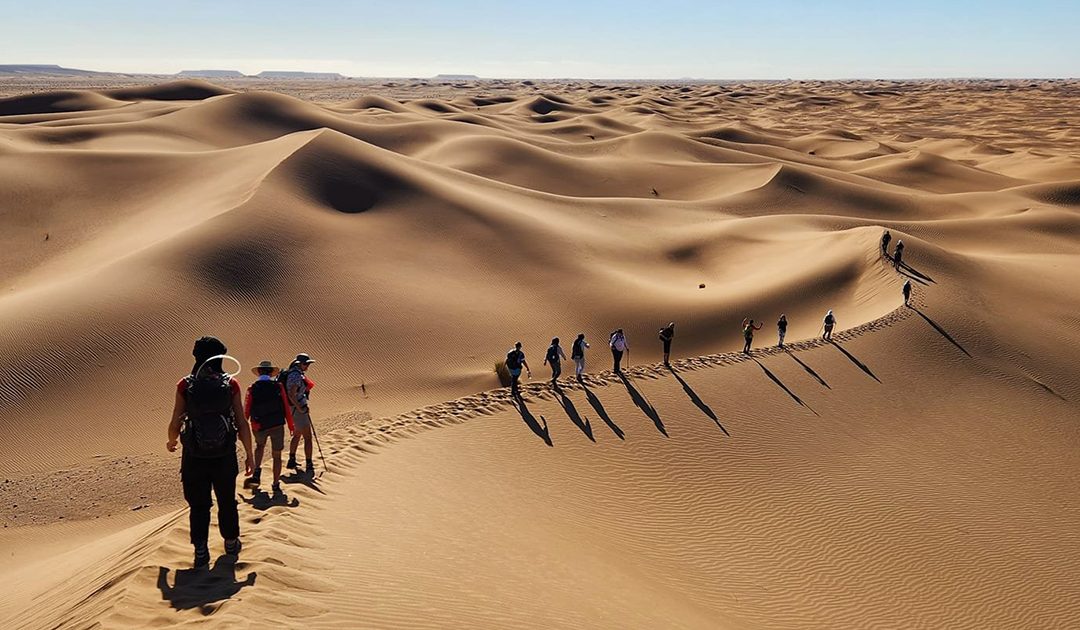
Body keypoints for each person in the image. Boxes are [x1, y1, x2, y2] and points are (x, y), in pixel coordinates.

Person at [167, 336, 254, 569]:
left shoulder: (185, 385)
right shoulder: (230, 383)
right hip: (224, 455)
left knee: (199, 505)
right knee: (227, 500)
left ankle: (200, 550)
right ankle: (231, 542)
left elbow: (175, 420)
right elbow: (241, 422)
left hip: (194, 456)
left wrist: (171, 440)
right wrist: (250, 454)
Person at [244, 360, 294, 494]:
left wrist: (242, 426)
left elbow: (246, 409)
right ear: (271, 373)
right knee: (277, 455)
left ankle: (257, 471)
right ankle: (275, 484)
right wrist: (291, 425)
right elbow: (285, 406)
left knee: (259, 446)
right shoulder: (278, 386)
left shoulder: (252, 388)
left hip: (259, 426)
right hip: (277, 424)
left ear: (259, 372)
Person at [285, 353, 317, 476]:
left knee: (297, 435)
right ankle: (309, 463)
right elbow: (291, 394)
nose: (307, 366)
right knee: (308, 437)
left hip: (294, 409)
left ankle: (291, 460)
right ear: (299, 364)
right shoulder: (295, 375)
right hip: (297, 409)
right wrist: (300, 408)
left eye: (308, 364)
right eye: (305, 364)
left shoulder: (294, 373)